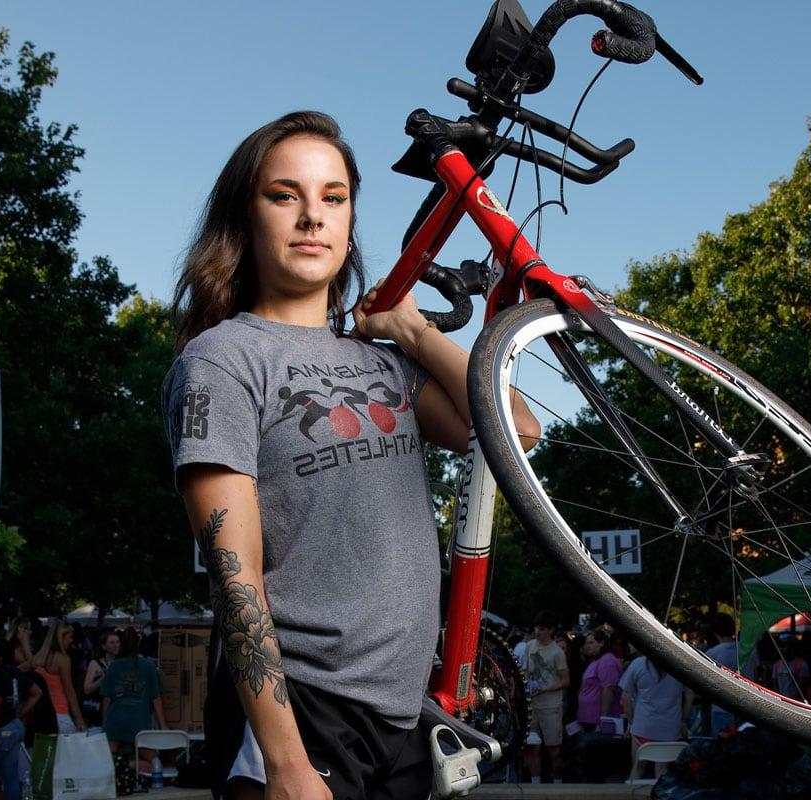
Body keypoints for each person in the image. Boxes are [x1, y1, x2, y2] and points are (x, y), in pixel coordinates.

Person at [164, 110, 537, 800]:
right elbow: (233, 576)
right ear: (245, 219)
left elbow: (516, 427)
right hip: (302, 711)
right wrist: (284, 763)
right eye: (285, 195)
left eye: (333, 198)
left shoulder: (385, 363)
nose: (313, 217)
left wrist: (415, 332)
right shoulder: (223, 359)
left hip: (400, 714)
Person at [0, 639, 42, 800]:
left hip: (1, 730)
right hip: (15, 727)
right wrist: (20, 712)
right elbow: (37, 692)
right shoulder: (14, 672)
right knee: (11, 777)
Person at [99, 628, 164, 773]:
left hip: (115, 723)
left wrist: (105, 725)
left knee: (108, 762)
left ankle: (120, 765)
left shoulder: (114, 667)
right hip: (139, 723)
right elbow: (156, 698)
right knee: (155, 765)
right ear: (138, 644)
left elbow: (106, 699)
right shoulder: (148, 666)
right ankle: (129, 764)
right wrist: (163, 726)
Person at [619, 650, 686, 779]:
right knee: (662, 772)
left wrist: (631, 722)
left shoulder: (638, 664)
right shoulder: (680, 665)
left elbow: (626, 697)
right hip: (670, 729)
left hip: (642, 728)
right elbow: (689, 695)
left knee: (637, 769)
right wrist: (683, 720)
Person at [522, 611, 569, 784]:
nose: (537, 632)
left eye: (541, 629)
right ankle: (535, 782)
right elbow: (526, 671)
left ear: (550, 630)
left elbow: (566, 680)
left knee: (553, 747)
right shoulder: (530, 646)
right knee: (531, 745)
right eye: (536, 628)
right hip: (532, 705)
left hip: (551, 706)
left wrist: (544, 688)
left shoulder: (557, 652)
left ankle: (558, 783)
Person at [30, 621, 85, 733]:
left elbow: (19, 669)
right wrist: (79, 719)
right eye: (69, 637)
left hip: (41, 714)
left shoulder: (38, 657)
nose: (71, 640)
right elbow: (69, 691)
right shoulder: (63, 659)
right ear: (60, 638)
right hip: (60, 713)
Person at [575, 630, 623, 731]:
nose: (587, 646)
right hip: (588, 718)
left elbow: (609, 688)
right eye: (586, 643)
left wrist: (603, 718)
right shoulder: (596, 660)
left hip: (596, 720)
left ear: (601, 643)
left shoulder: (607, 660)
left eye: (591, 642)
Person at [82, 628, 120, 721]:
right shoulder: (95, 664)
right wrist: (102, 679)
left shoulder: (121, 663)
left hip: (116, 710)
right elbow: (86, 689)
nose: (116, 645)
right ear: (104, 646)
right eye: (112, 642)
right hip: (98, 710)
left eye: (118, 642)